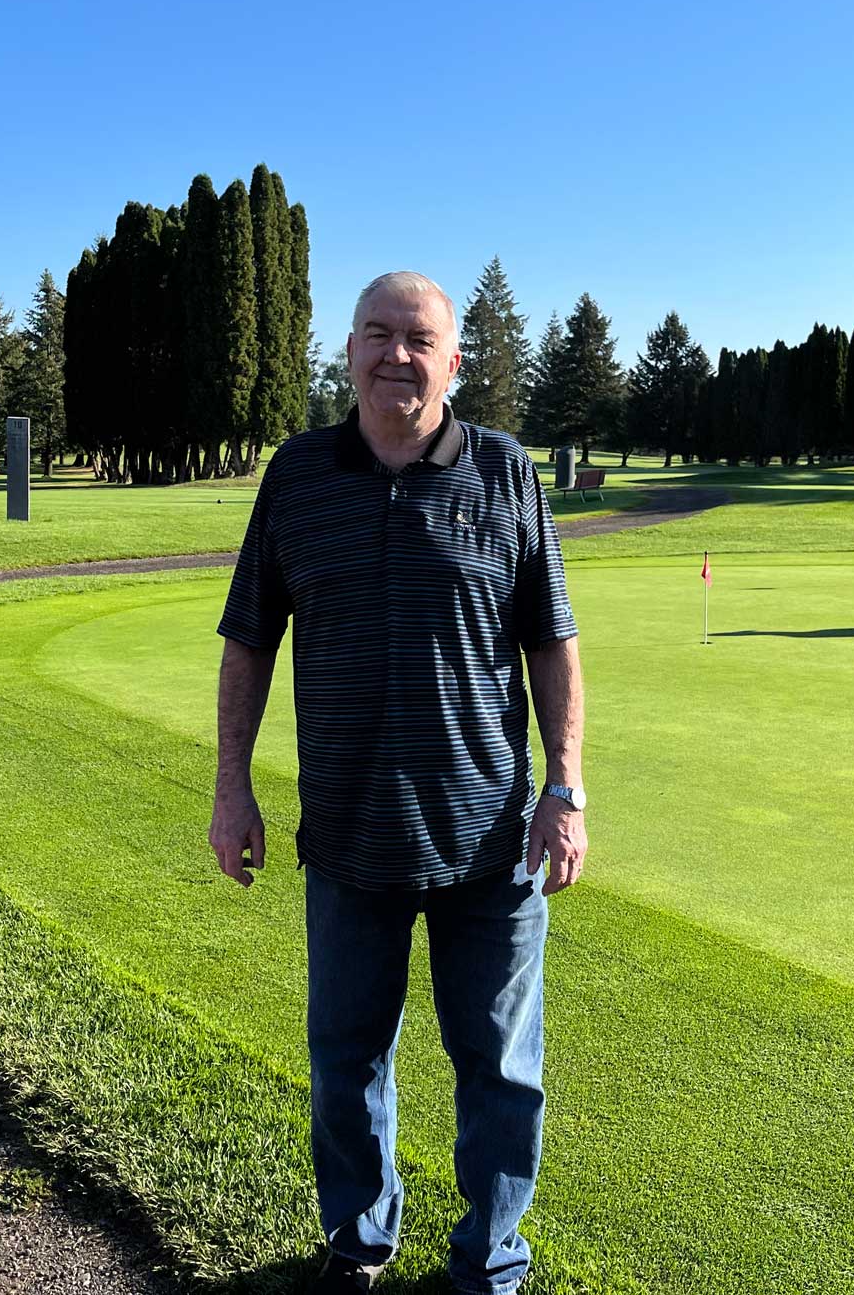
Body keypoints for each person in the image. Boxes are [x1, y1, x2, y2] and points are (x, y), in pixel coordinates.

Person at [210, 271, 587, 1295]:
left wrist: (566, 787)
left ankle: (488, 1262)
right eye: (376, 334)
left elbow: (552, 644)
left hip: (488, 839)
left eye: (417, 338)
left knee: (501, 1074)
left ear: (451, 360)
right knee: (344, 1064)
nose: (395, 355)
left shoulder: (505, 474)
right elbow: (248, 643)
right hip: (347, 835)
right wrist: (229, 790)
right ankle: (357, 1242)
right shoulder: (297, 476)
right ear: (347, 352)